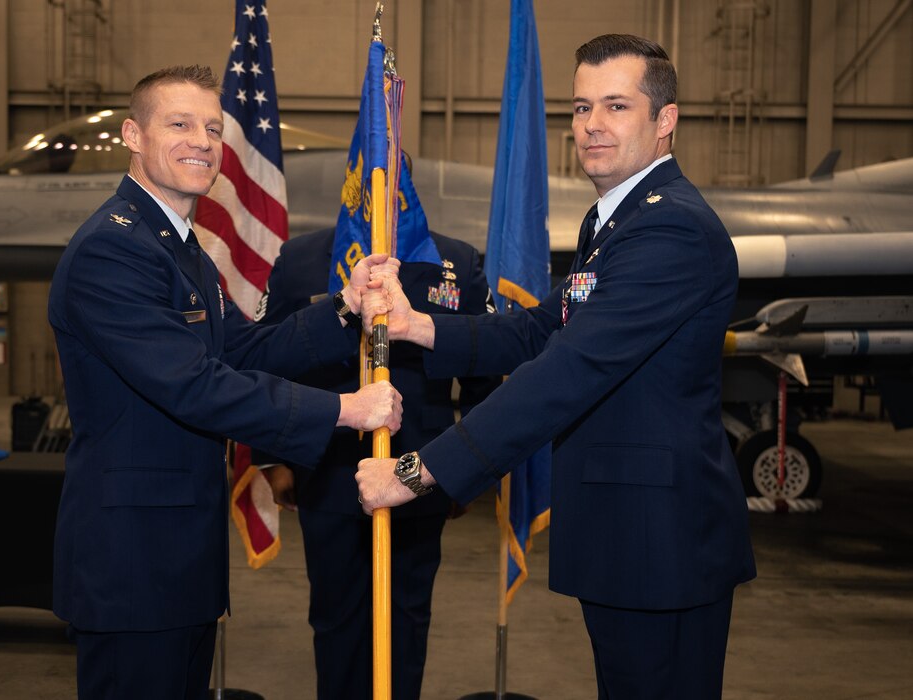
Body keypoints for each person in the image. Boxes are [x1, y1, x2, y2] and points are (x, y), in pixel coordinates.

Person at [356, 34, 756, 699]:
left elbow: (567, 370)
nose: (592, 124)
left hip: (658, 550)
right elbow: (542, 328)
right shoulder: (615, 224)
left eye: (616, 106)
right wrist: (415, 326)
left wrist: (418, 471)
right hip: (631, 540)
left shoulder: (670, 230)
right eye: (580, 107)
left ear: (665, 122)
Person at [47, 65, 402, 700]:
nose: (202, 141)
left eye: (212, 128)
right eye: (179, 124)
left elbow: (247, 348)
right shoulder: (113, 250)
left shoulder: (180, 248)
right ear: (133, 134)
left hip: (180, 558)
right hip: (133, 564)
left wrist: (343, 308)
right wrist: (344, 411)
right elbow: (195, 386)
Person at [253, 224, 500, 700]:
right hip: (326, 470)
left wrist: (460, 473)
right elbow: (266, 356)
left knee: (406, 619)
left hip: (419, 472)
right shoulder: (301, 257)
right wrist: (273, 458)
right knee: (335, 618)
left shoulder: (457, 261)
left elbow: (483, 374)